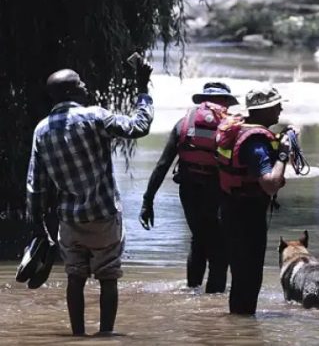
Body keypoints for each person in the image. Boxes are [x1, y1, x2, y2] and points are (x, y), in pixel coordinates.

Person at [26, 63, 154, 336]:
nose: (86, 86)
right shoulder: (95, 117)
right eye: (81, 83)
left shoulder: (42, 130)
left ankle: (78, 336)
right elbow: (139, 127)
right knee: (108, 276)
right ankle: (106, 336)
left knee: (75, 275)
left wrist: (38, 225)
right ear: (71, 90)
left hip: (70, 219)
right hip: (104, 215)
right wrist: (142, 87)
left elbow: (35, 185)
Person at [139, 82, 239, 293]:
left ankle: (192, 292)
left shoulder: (183, 124)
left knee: (199, 238)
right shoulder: (231, 128)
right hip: (217, 192)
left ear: (203, 101)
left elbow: (163, 165)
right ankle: (211, 307)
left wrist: (148, 200)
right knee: (219, 252)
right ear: (225, 102)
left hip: (189, 191)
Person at [217, 84, 292, 315]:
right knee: (249, 277)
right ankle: (244, 329)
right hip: (247, 215)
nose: (280, 109)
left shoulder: (239, 129)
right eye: (276, 105)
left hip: (231, 209)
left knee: (240, 276)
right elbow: (269, 184)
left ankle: (236, 326)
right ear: (264, 110)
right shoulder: (257, 142)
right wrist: (283, 153)